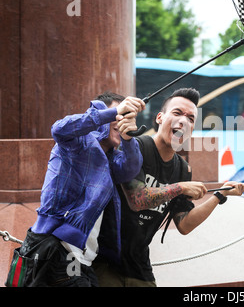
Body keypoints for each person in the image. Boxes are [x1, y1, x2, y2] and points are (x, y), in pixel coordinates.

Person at [94, 88, 244, 287]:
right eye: (177, 113)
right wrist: (180, 188)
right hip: (106, 263)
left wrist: (219, 195)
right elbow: (137, 199)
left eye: (191, 119)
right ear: (160, 117)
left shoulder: (183, 169)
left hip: (140, 268)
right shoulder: (136, 148)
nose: (183, 121)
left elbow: (184, 224)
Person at [5, 91, 145, 287]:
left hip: (83, 259)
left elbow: (130, 169)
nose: (123, 118)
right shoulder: (79, 140)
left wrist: (128, 139)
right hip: (59, 250)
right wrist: (113, 112)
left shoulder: (111, 160)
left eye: (128, 115)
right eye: (120, 113)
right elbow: (59, 128)